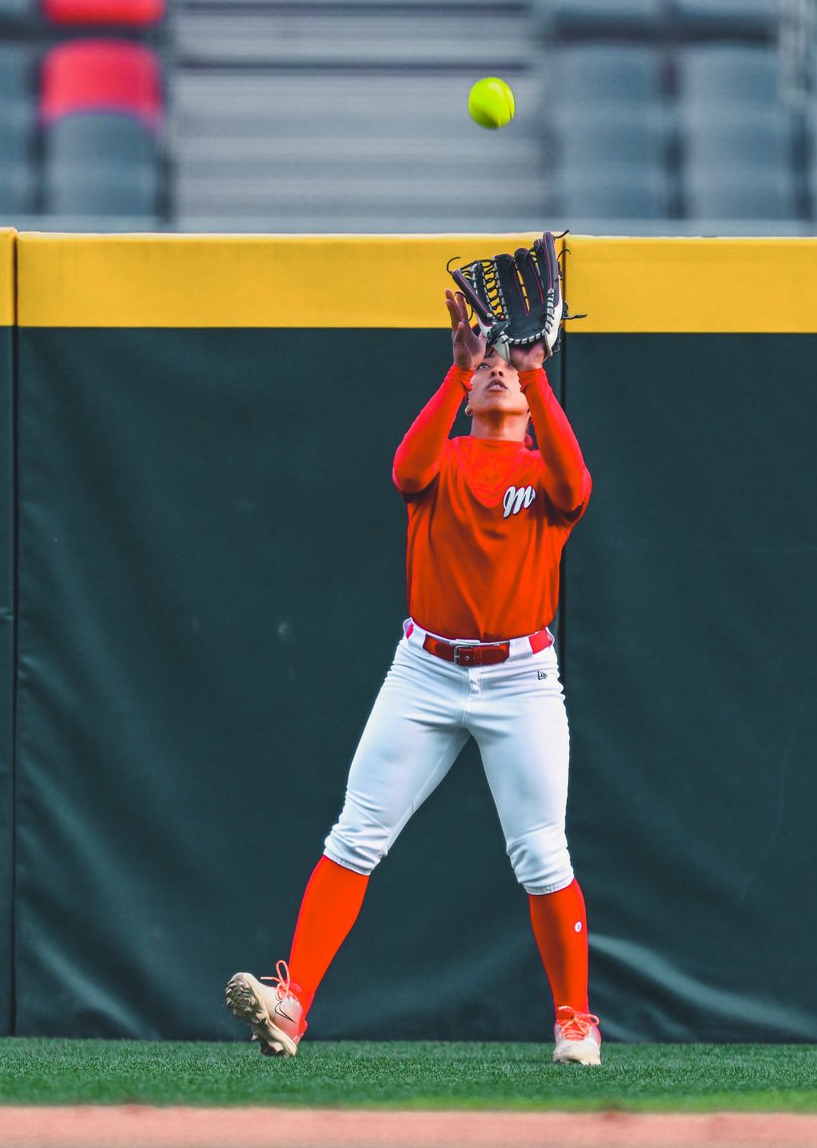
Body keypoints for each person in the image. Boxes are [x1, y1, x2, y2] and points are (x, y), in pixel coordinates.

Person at [225, 238, 599, 1065]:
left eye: (509, 371)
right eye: (489, 370)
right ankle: (292, 1007)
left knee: (542, 852)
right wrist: (458, 368)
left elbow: (578, 488)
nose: (497, 370)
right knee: (355, 835)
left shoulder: (543, 472)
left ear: (535, 406)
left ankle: (576, 1019)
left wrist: (532, 367)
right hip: (426, 671)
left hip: (520, 681)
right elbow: (404, 470)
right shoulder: (448, 455)